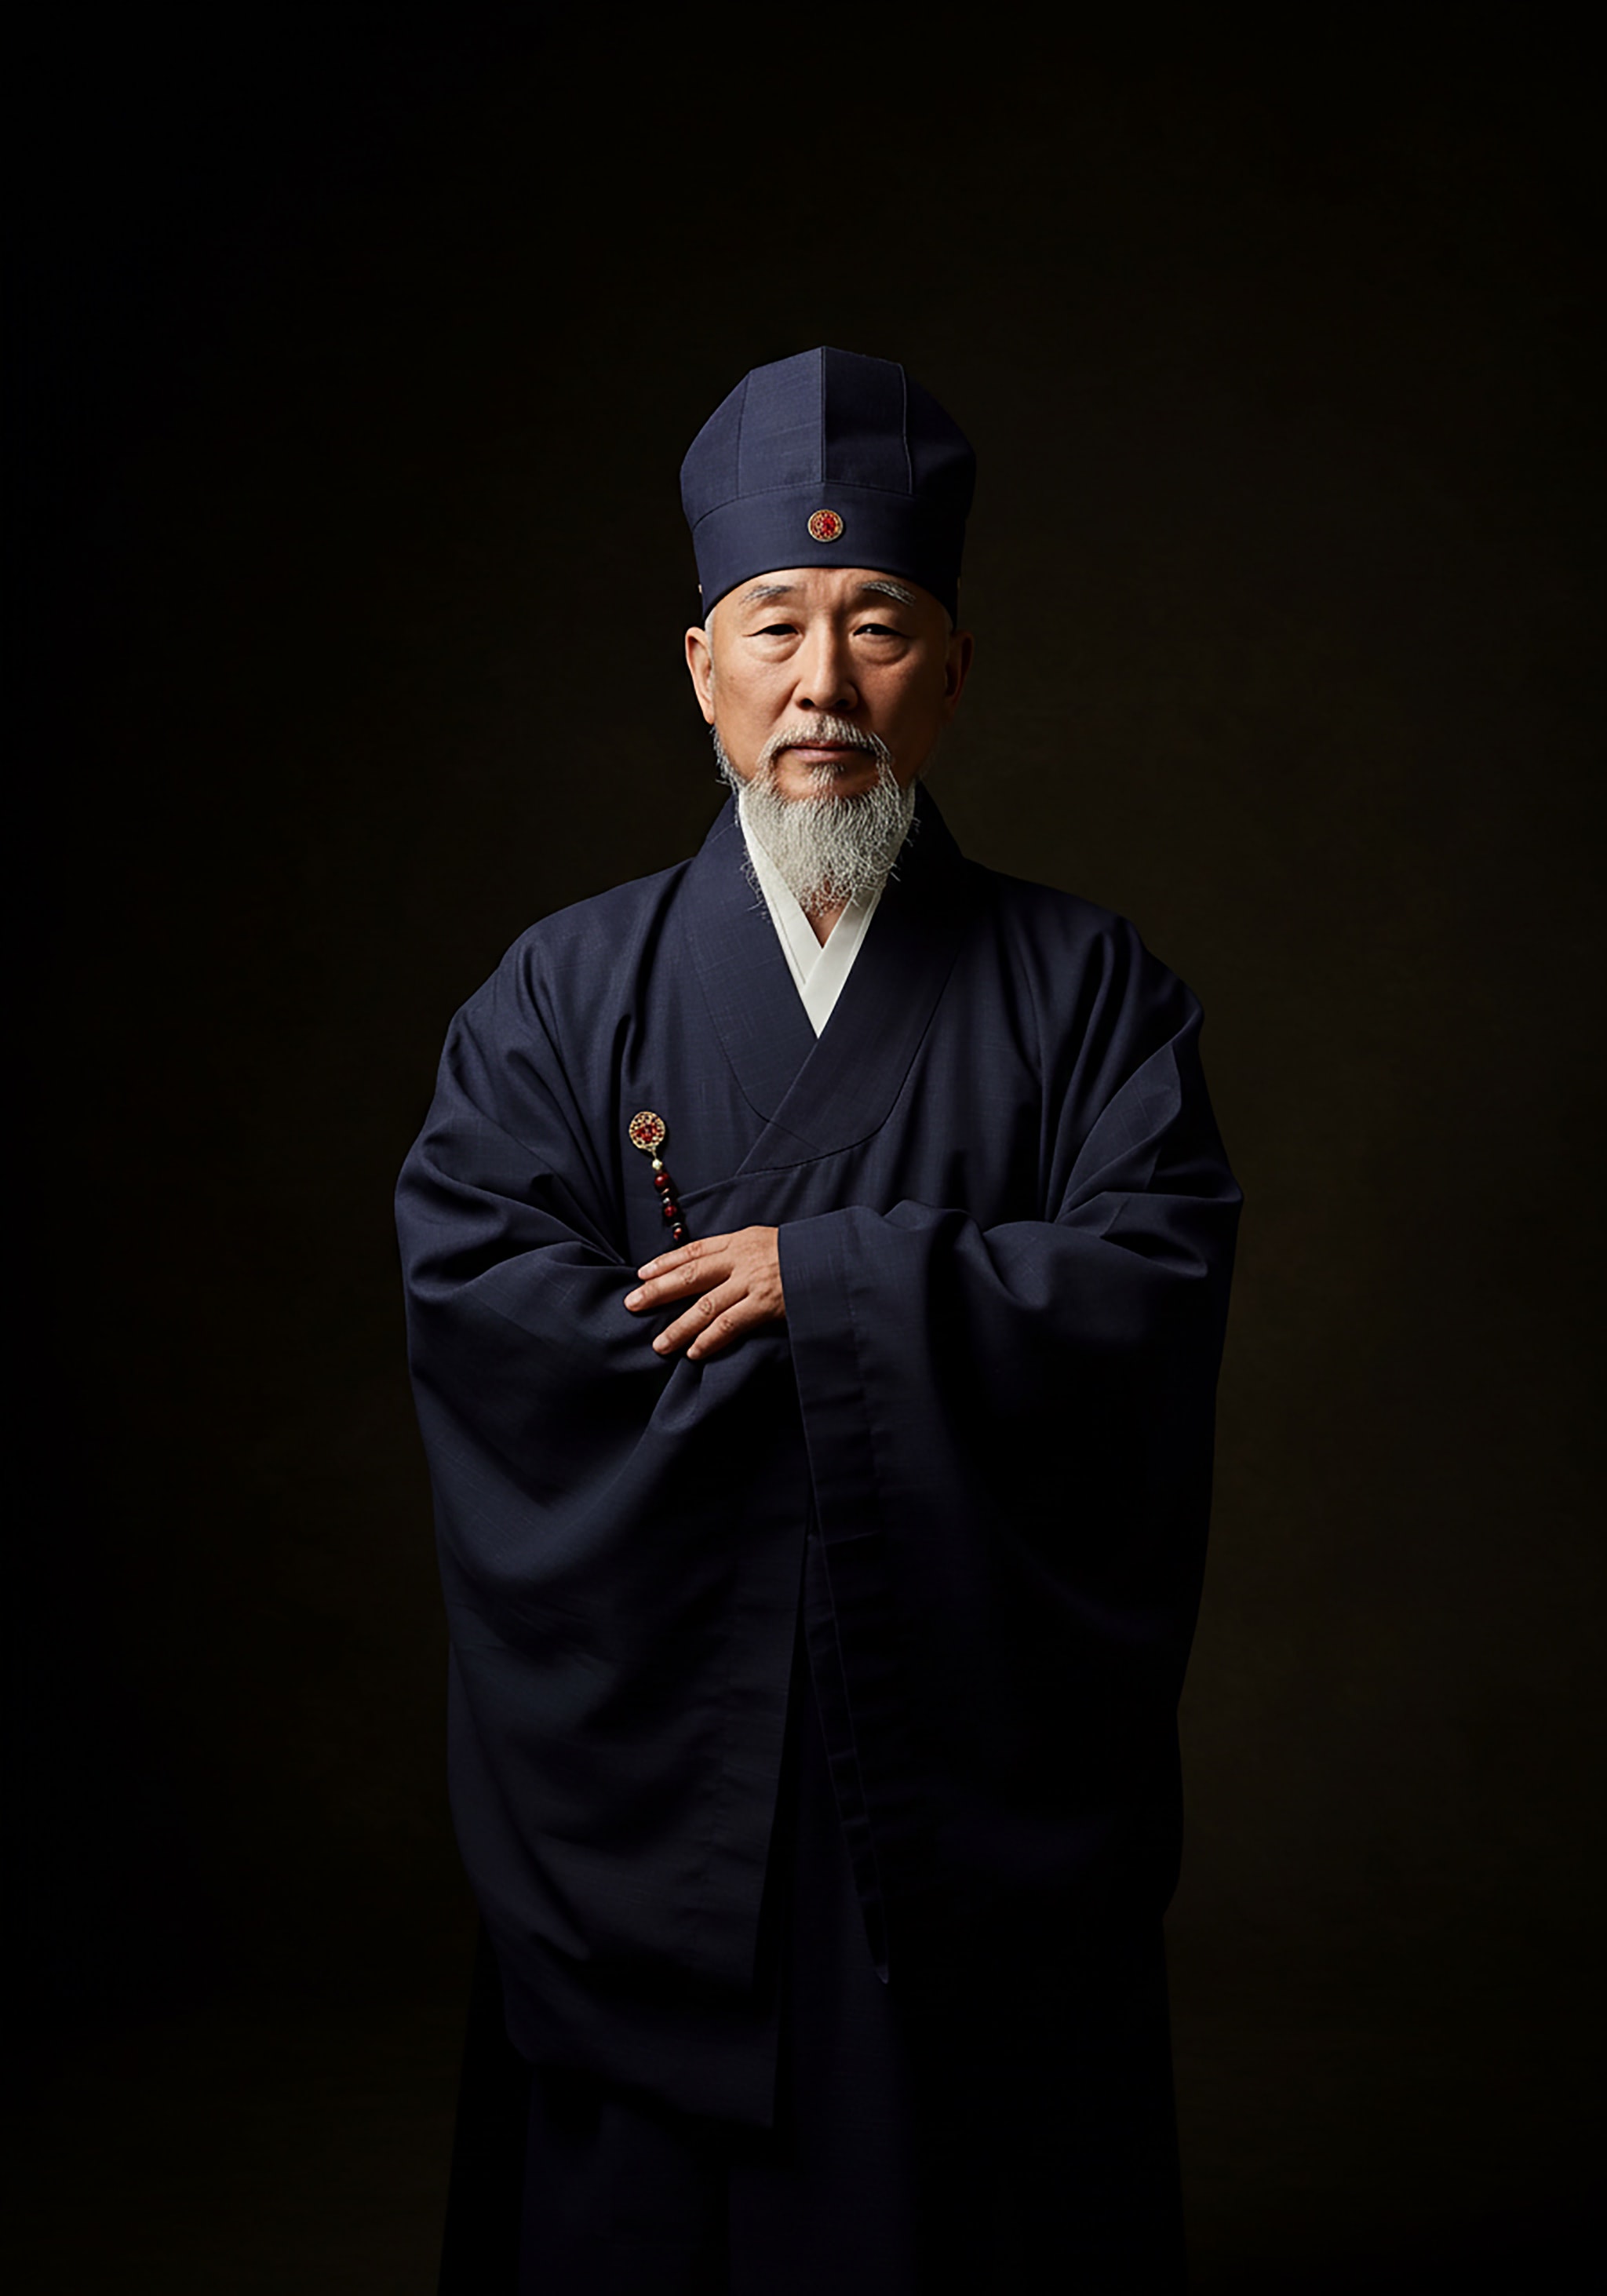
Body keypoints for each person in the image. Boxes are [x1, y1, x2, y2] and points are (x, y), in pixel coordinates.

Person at [395, 346, 1241, 2294]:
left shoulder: (1091, 987)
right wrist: (869, 1360)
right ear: (700, 665)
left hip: (947, 1745)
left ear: (952, 666)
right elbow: (481, 1291)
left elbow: (1153, 1279)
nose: (823, 682)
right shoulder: (558, 988)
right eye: (776, 623)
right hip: (662, 1739)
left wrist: (829, 1280)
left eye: (878, 624)